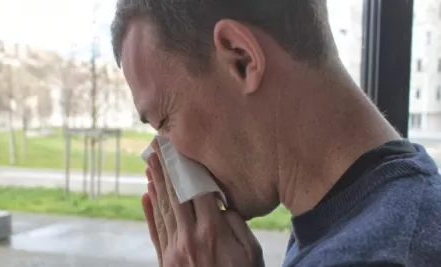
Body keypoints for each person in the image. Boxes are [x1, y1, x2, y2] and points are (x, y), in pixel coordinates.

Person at [110, 0, 441, 266]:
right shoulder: (357, 215)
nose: (167, 157)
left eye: (164, 120)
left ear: (241, 59)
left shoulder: (378, 255)